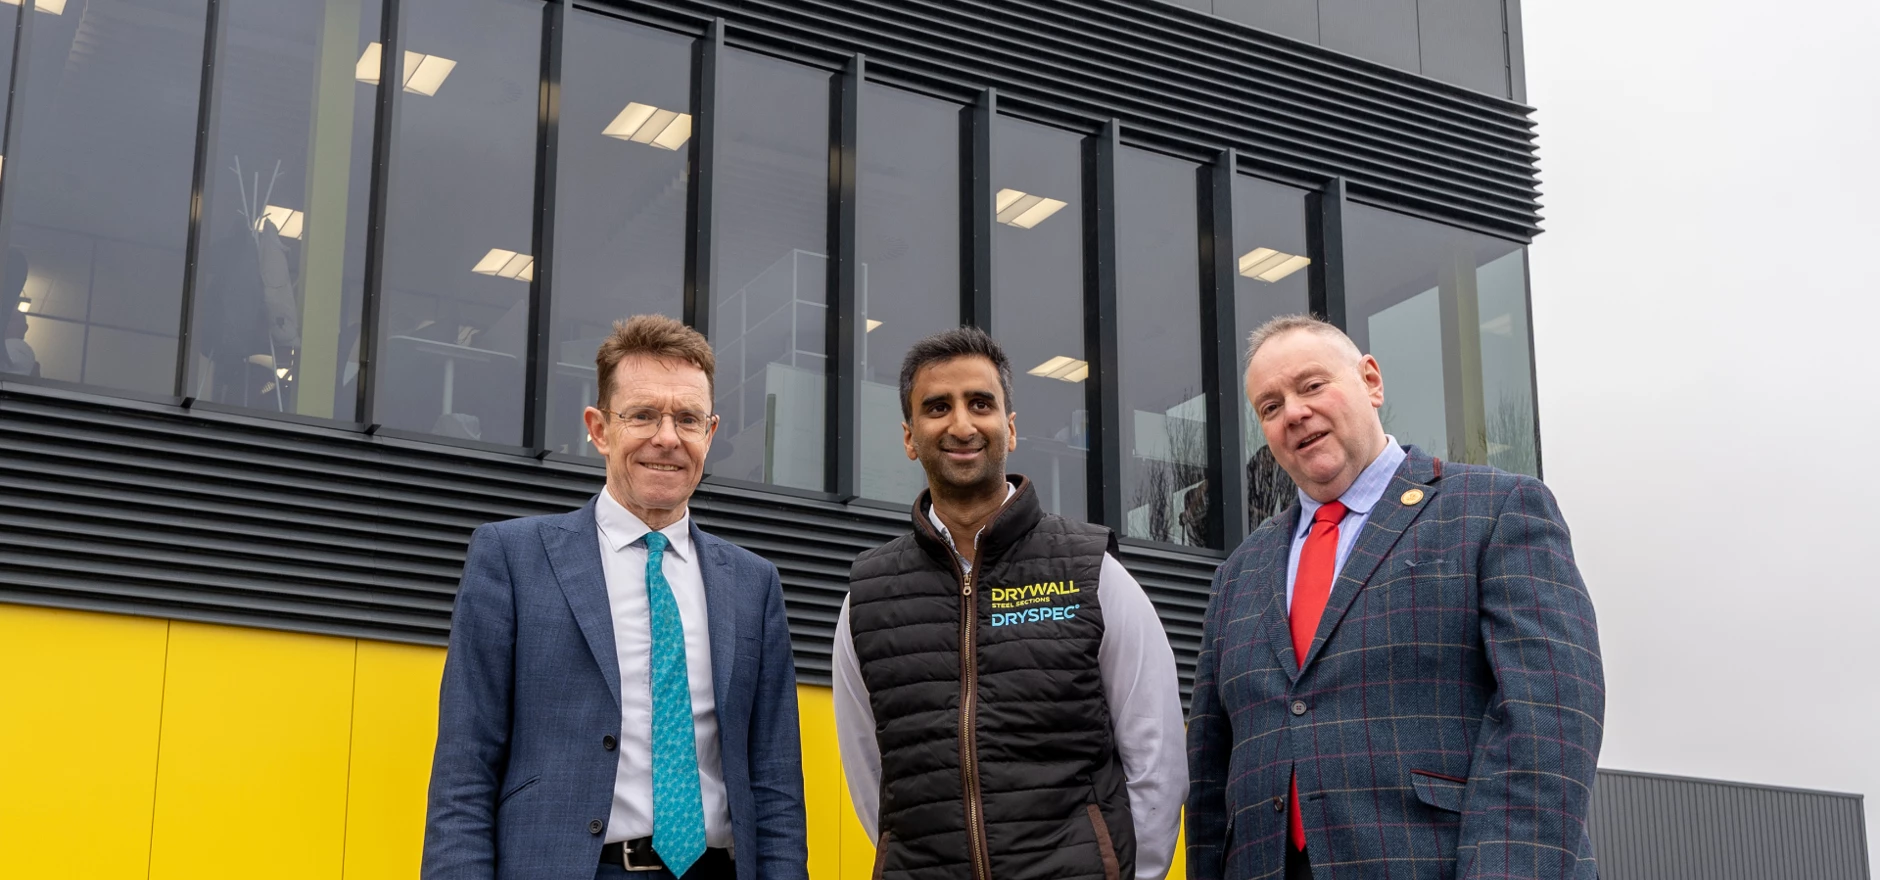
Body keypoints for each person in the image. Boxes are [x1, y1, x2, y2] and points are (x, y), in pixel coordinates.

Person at [1185, 314, 1604, 880]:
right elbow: (1211, 774)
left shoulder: (1497, 508)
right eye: (1270, 406)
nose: (1294, 413)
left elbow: (1549, 720)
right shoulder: (1237, 574)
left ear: (1372, 382)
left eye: (1311, 386)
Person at [422, 315, 808, 880]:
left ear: (711, 432)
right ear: (599, 428)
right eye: (643, 415)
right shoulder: (511, 558)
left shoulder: (753, 584)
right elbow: (465, 768)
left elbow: (776, 783)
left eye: (687, 419)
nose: (667, 438)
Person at [833, 326, 1187, 880]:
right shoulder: (868, 598)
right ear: (908, 437)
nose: (961, 424)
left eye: (980, 403)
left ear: (1011, 428)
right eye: (936, 407)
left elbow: (1156, 753)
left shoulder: (1093, 572)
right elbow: (872, 778)